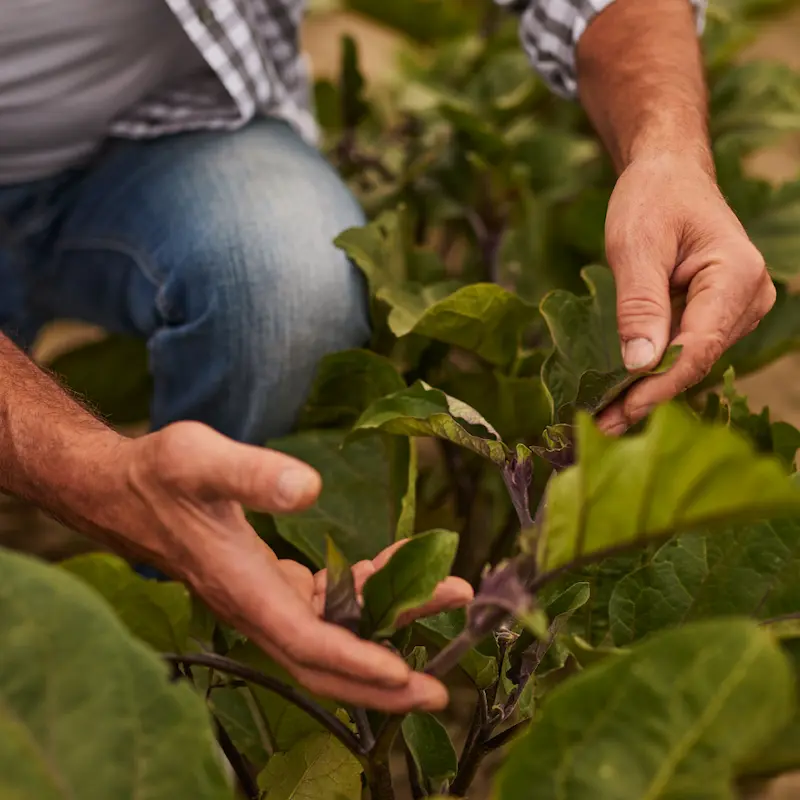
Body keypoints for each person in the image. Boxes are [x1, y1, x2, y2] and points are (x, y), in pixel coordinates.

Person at [0, 0, 775, 711]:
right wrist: (92, 471)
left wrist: (666, 150)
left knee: (284, 286)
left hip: (166, 128)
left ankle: (194, 641)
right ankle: (181, 586)